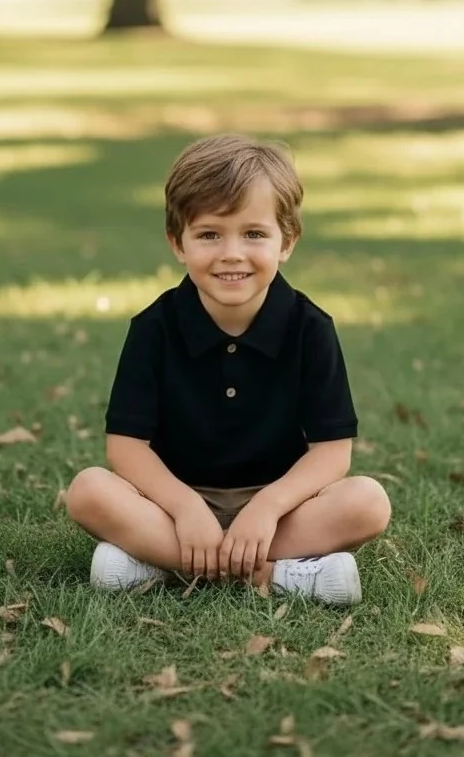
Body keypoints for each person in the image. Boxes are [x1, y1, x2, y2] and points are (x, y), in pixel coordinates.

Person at [66, 133, 391, 605]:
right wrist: (184, 509)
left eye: (254, 233)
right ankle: (282, 576)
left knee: (367, 502)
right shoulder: (155, 327)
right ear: (178, 243)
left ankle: (159, 564)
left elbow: (332, 453)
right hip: (174, 500)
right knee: (88, 491)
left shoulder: (310, 328)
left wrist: (267, 506)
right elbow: (126, 446)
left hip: (279, 506)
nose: (232, 253)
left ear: (287, 241)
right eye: (210, 234)